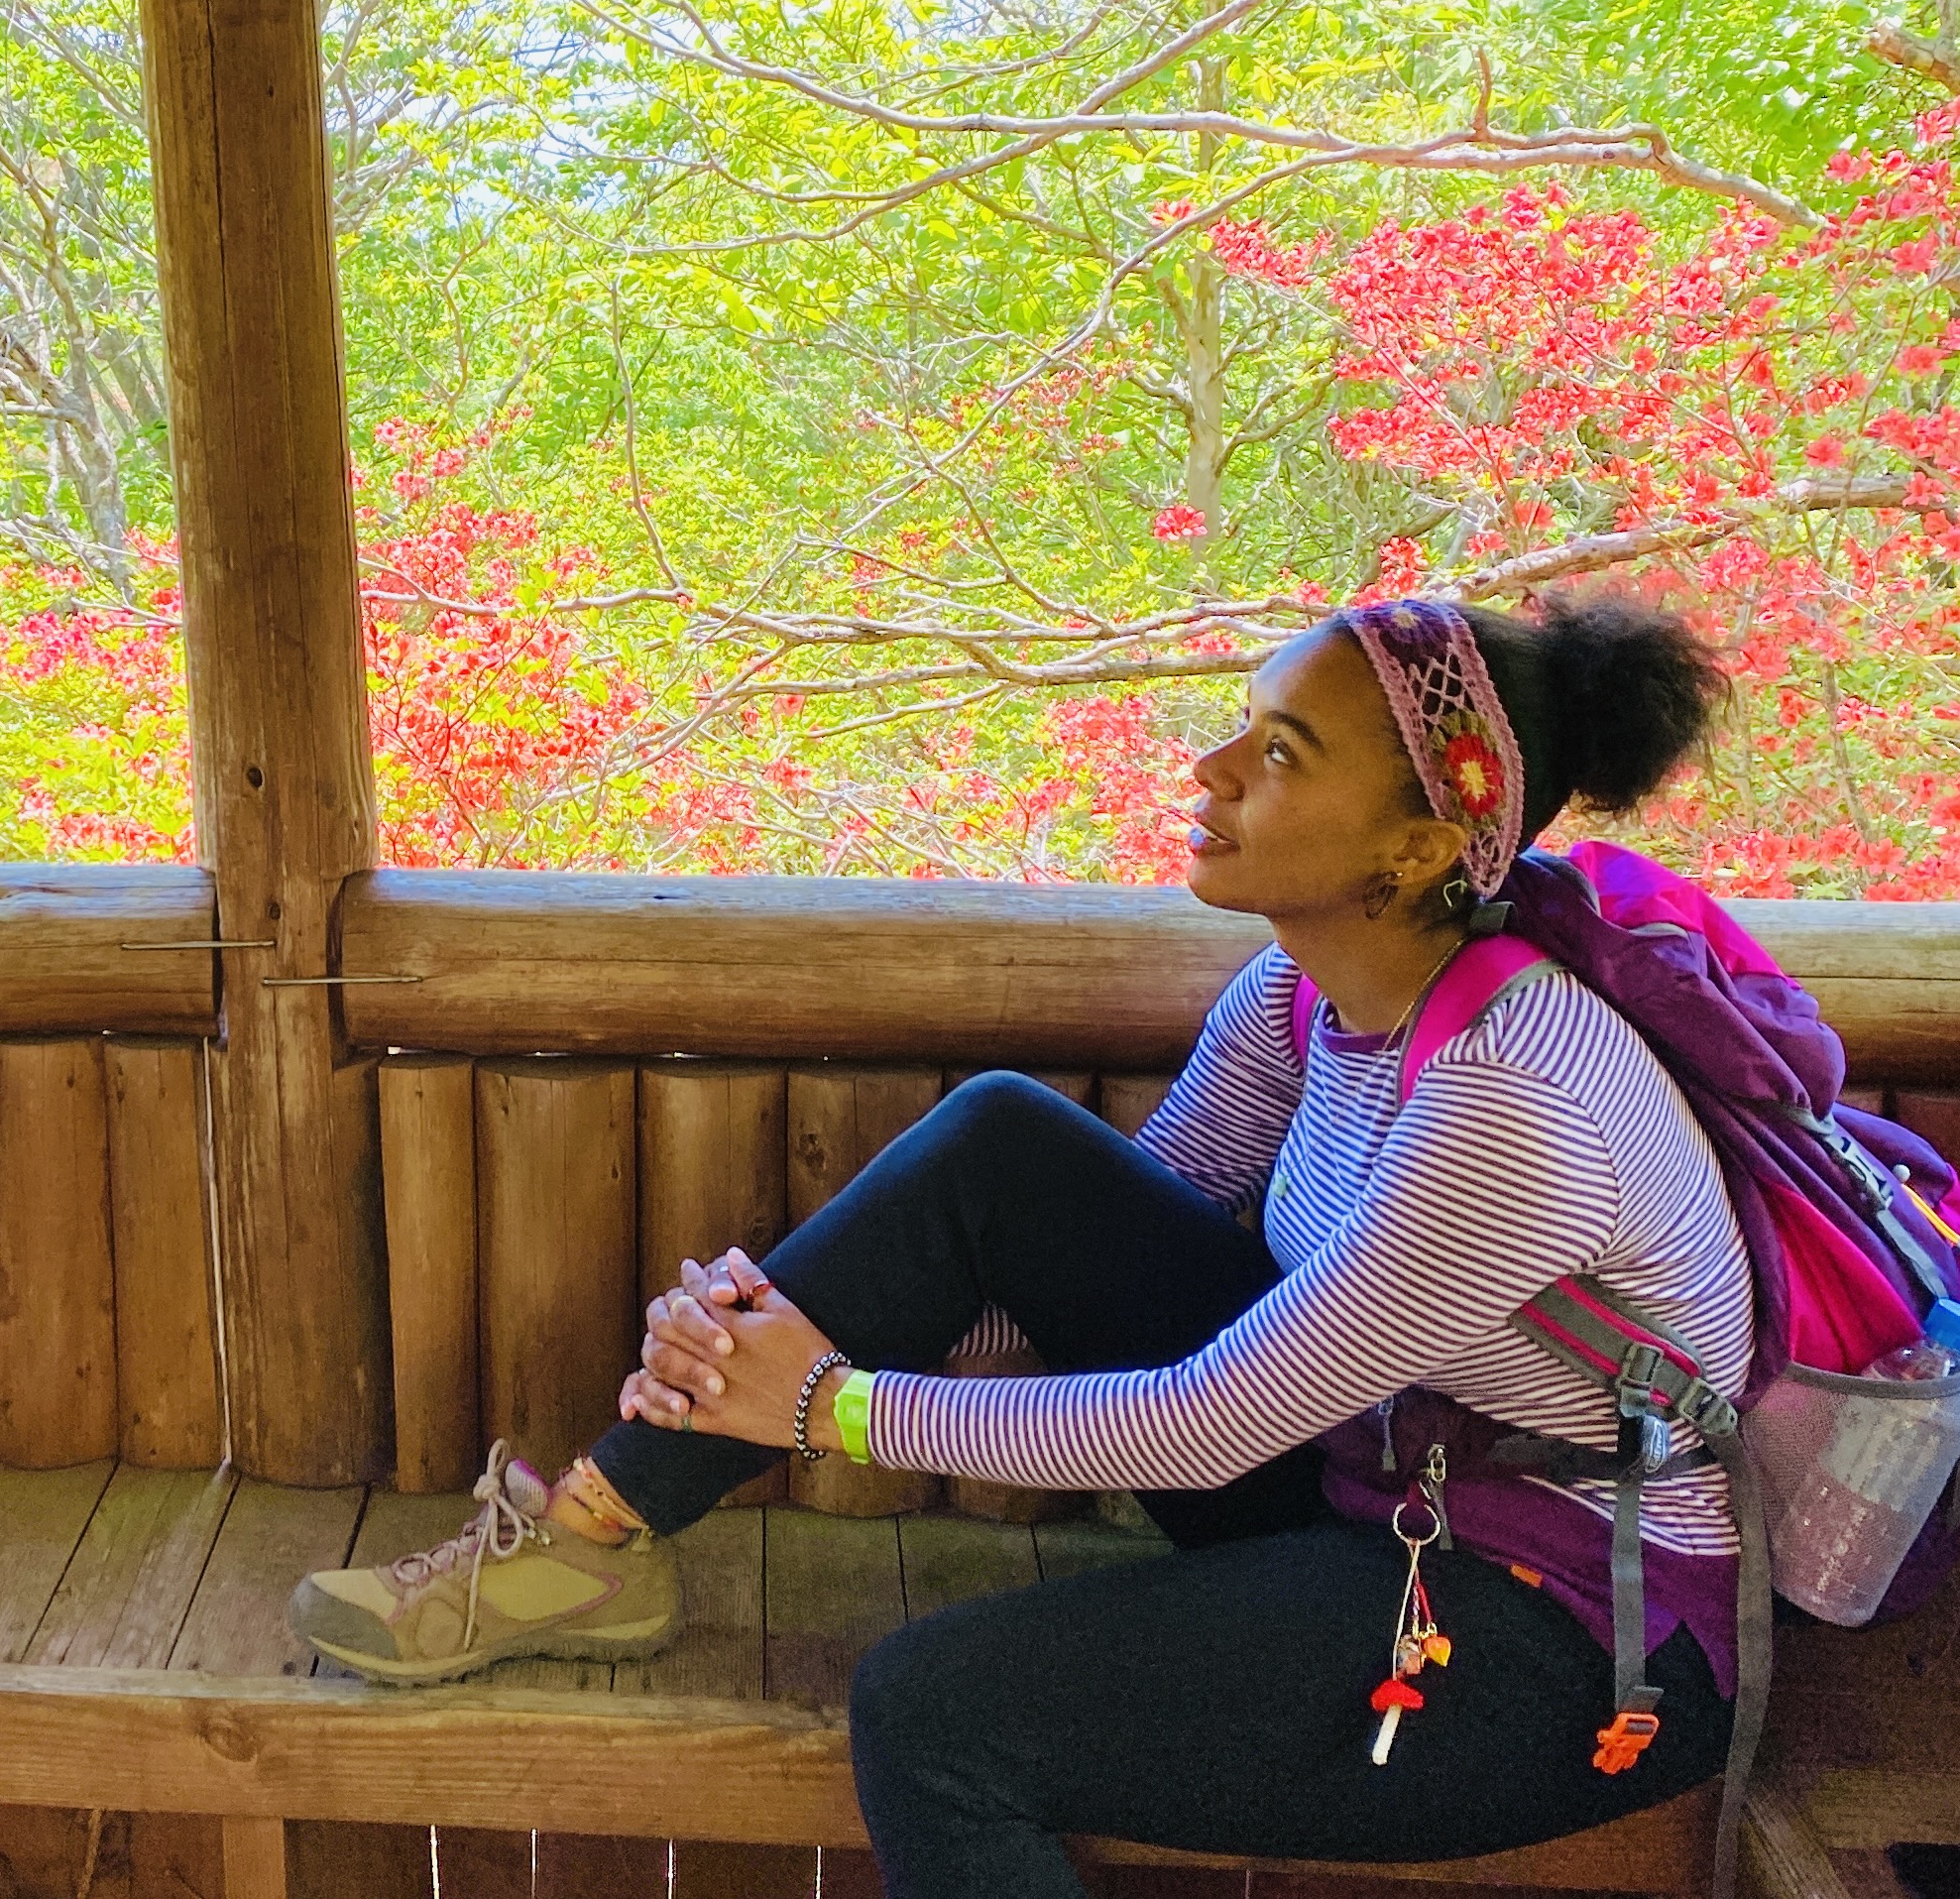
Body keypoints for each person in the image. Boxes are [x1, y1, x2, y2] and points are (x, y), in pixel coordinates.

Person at [288, 591, 1752, 1894]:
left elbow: (1202, 1419)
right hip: (1381, 1486)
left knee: (932, 1717)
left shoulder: (1515, 1102)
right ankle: (591, 1543)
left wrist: (819, 1403)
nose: (1212, 770)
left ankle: (621, 1527)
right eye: (1241, 727)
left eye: (1284, 754)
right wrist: (750, 1348)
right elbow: (1068, 1276)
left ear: (1421, 846)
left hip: (1555, 1633)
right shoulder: (1301, 997)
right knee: (1003, 1147)